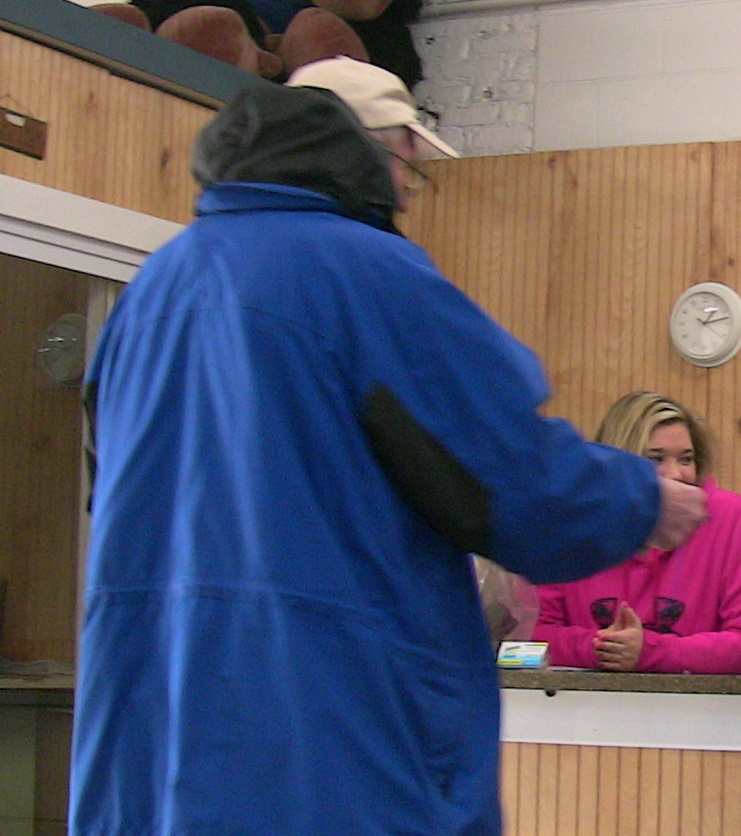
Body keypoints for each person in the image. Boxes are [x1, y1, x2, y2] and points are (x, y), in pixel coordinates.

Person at [70, 65, 706, 833]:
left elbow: (111, 501)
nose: (408, 191)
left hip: (152, 754)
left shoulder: (148, 295)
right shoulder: (366, 275)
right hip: (324, 745)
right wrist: (639, 497)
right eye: (409, 163)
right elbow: (506, 476)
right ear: (366, 151)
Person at [534, 391, 741, 674]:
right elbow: (529, 634)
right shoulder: (571, 523)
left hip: (697, 702)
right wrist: (601, 648)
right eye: (656, 460)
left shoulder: (733, 519)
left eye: (686, 459)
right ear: (619, 467)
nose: (675, 474)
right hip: (582, 700)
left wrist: (650, 651)